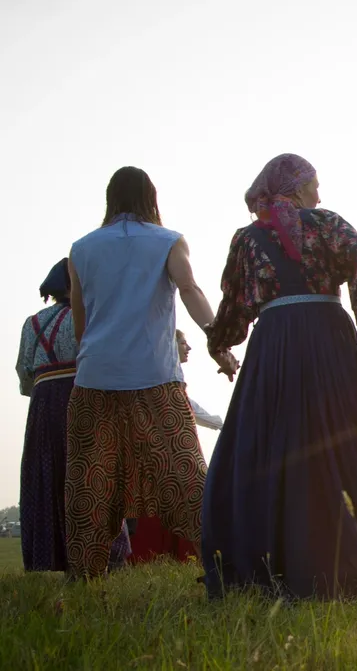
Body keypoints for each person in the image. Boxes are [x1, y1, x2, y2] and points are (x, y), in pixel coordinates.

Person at [201, 154, 357, 599]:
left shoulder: (247, 239)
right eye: (313, 185)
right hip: (329, 339)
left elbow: (235, 300)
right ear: (295, 188)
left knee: (272, 443)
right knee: (345, 442)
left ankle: (273, 565)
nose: (318, 195)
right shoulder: (326, 224)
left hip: (275, 347)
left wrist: (222, 343)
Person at [65, 167, 226, 580]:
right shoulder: (168, 241)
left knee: (91, 484)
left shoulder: (81, 249)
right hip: (154, 379)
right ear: (150, 197)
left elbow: (80, 321)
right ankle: (225, 562)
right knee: (186, 478)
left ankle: (85, 575)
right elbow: (190, 290)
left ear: (110, 199)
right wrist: (217, 341)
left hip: (95, 379)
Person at [17, 259, 130, 572]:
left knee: (48, 476)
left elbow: (25, 377)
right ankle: (104, 556)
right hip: (82, 396)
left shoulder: (32, 323)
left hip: (42, 406)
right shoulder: (91, 316)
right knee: (94, 475)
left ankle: (55, 558)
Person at [127, 330, 220, 565]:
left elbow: (194, 409)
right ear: (170, 344)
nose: (188, 347)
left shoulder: (169, 375)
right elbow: (193, 409)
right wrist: (225, 424)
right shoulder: (164, 379)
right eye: (183, 342)